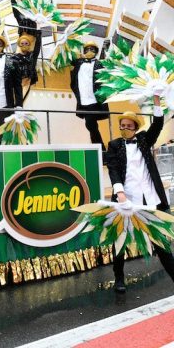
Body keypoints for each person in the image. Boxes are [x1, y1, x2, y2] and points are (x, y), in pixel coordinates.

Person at [106, 94, 174, 292]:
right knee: (119, 242)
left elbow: (158, 124)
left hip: (150, 199)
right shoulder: (114, 145)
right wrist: (120, 193)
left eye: (129, 126)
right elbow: (113, 169)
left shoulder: (144, 140)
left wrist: (155, 102)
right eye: (122, 126)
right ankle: (119, 279)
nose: (125, 129)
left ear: (135, 127)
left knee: (161, 244)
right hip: (126, 200)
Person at [70, 41, 109, 151]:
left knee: (91, 124)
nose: (89, 51)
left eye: (92, 49)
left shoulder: (99, 64)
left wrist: (106, 49)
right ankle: (99, 149)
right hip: (83, 99)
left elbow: (106, 74)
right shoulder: (79, 62)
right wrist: (66, 42)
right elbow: (69, 58)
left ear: (96, 52)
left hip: (94, 99)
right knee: (91, 126)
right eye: (87, 49)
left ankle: (100, 149)